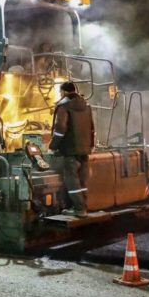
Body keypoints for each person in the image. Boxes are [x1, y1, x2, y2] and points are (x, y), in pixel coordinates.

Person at [49, 81, 95, 217]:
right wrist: (91, 145)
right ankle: (84, 206)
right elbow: (92, 128)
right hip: (85, 149)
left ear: (63, 92)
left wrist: (52, 146)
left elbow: (60, 129)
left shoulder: (64, 106)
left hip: (70, 150)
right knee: (82, 180)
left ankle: (79, 209)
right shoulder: (86, 105)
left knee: (71, 179)